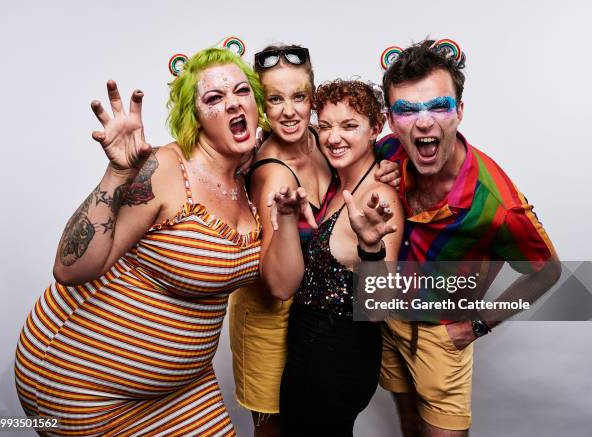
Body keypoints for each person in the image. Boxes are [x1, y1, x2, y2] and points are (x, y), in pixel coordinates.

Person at [14, 47, 266, 436]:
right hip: (83, 383)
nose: (233, 103)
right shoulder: (165, 169)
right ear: (194, 117)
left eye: (241, 91)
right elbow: (70, 269)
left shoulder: (250, 178)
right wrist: (116, 174)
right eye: (214, 98)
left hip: (184, 387)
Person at [375, 39, 561, 436]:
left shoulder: (497, 203)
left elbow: (548, 272)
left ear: (459, 112)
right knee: (408, 423)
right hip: (388, 322)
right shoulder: (388, 152)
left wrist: (476, 324)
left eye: (438, 106)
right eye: (407, 110)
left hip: (441, 334)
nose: (424, 122)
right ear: (392, 121)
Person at [228, 45, 400, 437]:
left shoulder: (321, 140)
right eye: (274, 99)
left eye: (299, 97)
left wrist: (388, 164)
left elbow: (362, 138)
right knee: (276, 428)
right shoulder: (273, 173)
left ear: (312, 99)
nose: (289, 111)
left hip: (323, 330)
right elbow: (280, 284)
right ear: (260, 105)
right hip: (272, 317)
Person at [266, 80, 403, 436]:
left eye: (349, 125)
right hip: (310, 351)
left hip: (337, 358)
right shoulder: (341, 184)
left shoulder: (378, 195)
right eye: (325, 126)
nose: (333, 137)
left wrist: (371, 248)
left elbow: (377, 308)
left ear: (376, 128)